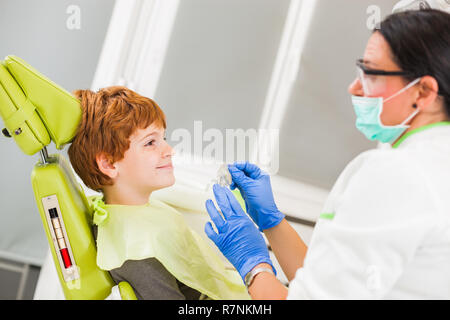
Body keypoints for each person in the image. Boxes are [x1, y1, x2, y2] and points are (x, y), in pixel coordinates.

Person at [204, 9, 450, 299]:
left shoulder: (399, 173)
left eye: (370, 73)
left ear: (422, 92)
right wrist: (272, 222)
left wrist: (254, 266)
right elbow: (338, 283)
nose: (354, 86)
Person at [68, 86, 249, 300]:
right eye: (150, 142)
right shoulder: (135, 251)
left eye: (163, 138)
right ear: (108, 163)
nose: (169, 150)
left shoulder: (136, 211)